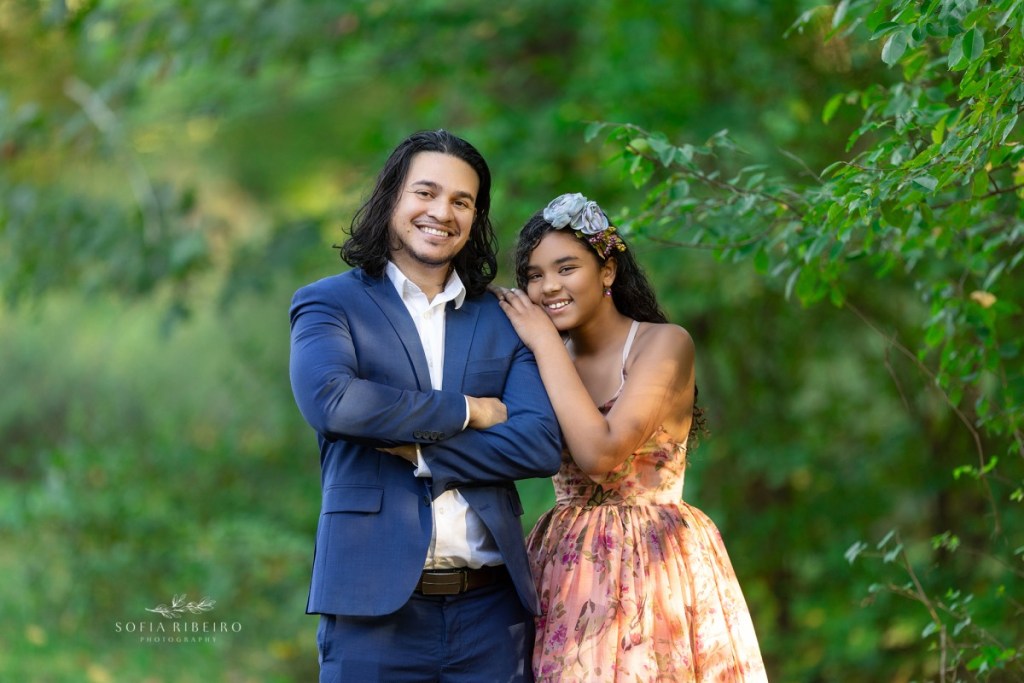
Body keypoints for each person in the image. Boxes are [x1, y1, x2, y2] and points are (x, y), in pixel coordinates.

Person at [289, 130, 562, 683]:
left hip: (493, 615)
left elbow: (539, 442)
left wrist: (420, 452)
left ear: (476, 217)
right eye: (426, 193)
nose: (443, 212)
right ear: (392, 197)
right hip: (371, 611)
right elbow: (335, 403)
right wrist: (469, 411)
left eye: (462, 201)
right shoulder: (329, 303)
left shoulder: (502, 317)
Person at [493, 192, 768, 682]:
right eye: (534, 275)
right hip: (564, 568)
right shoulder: (538, 360)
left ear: (607, 272)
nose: (548, 286)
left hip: (654, 561)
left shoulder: (664, 344)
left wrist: (541, 343)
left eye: (566, 268)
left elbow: (602, 455)